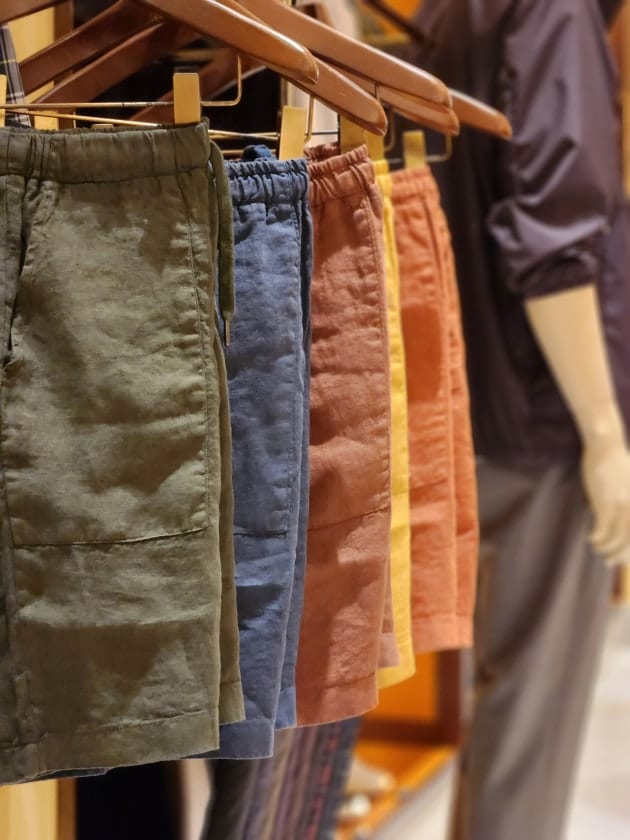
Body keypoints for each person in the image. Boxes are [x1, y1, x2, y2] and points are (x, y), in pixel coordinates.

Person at [411, 2, 630, 838]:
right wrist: (603, 436)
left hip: (483, 390)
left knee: (511, 703)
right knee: (531, 720)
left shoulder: (460, 9)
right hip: (545, 412)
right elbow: (552, 240)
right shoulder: (555, 12)